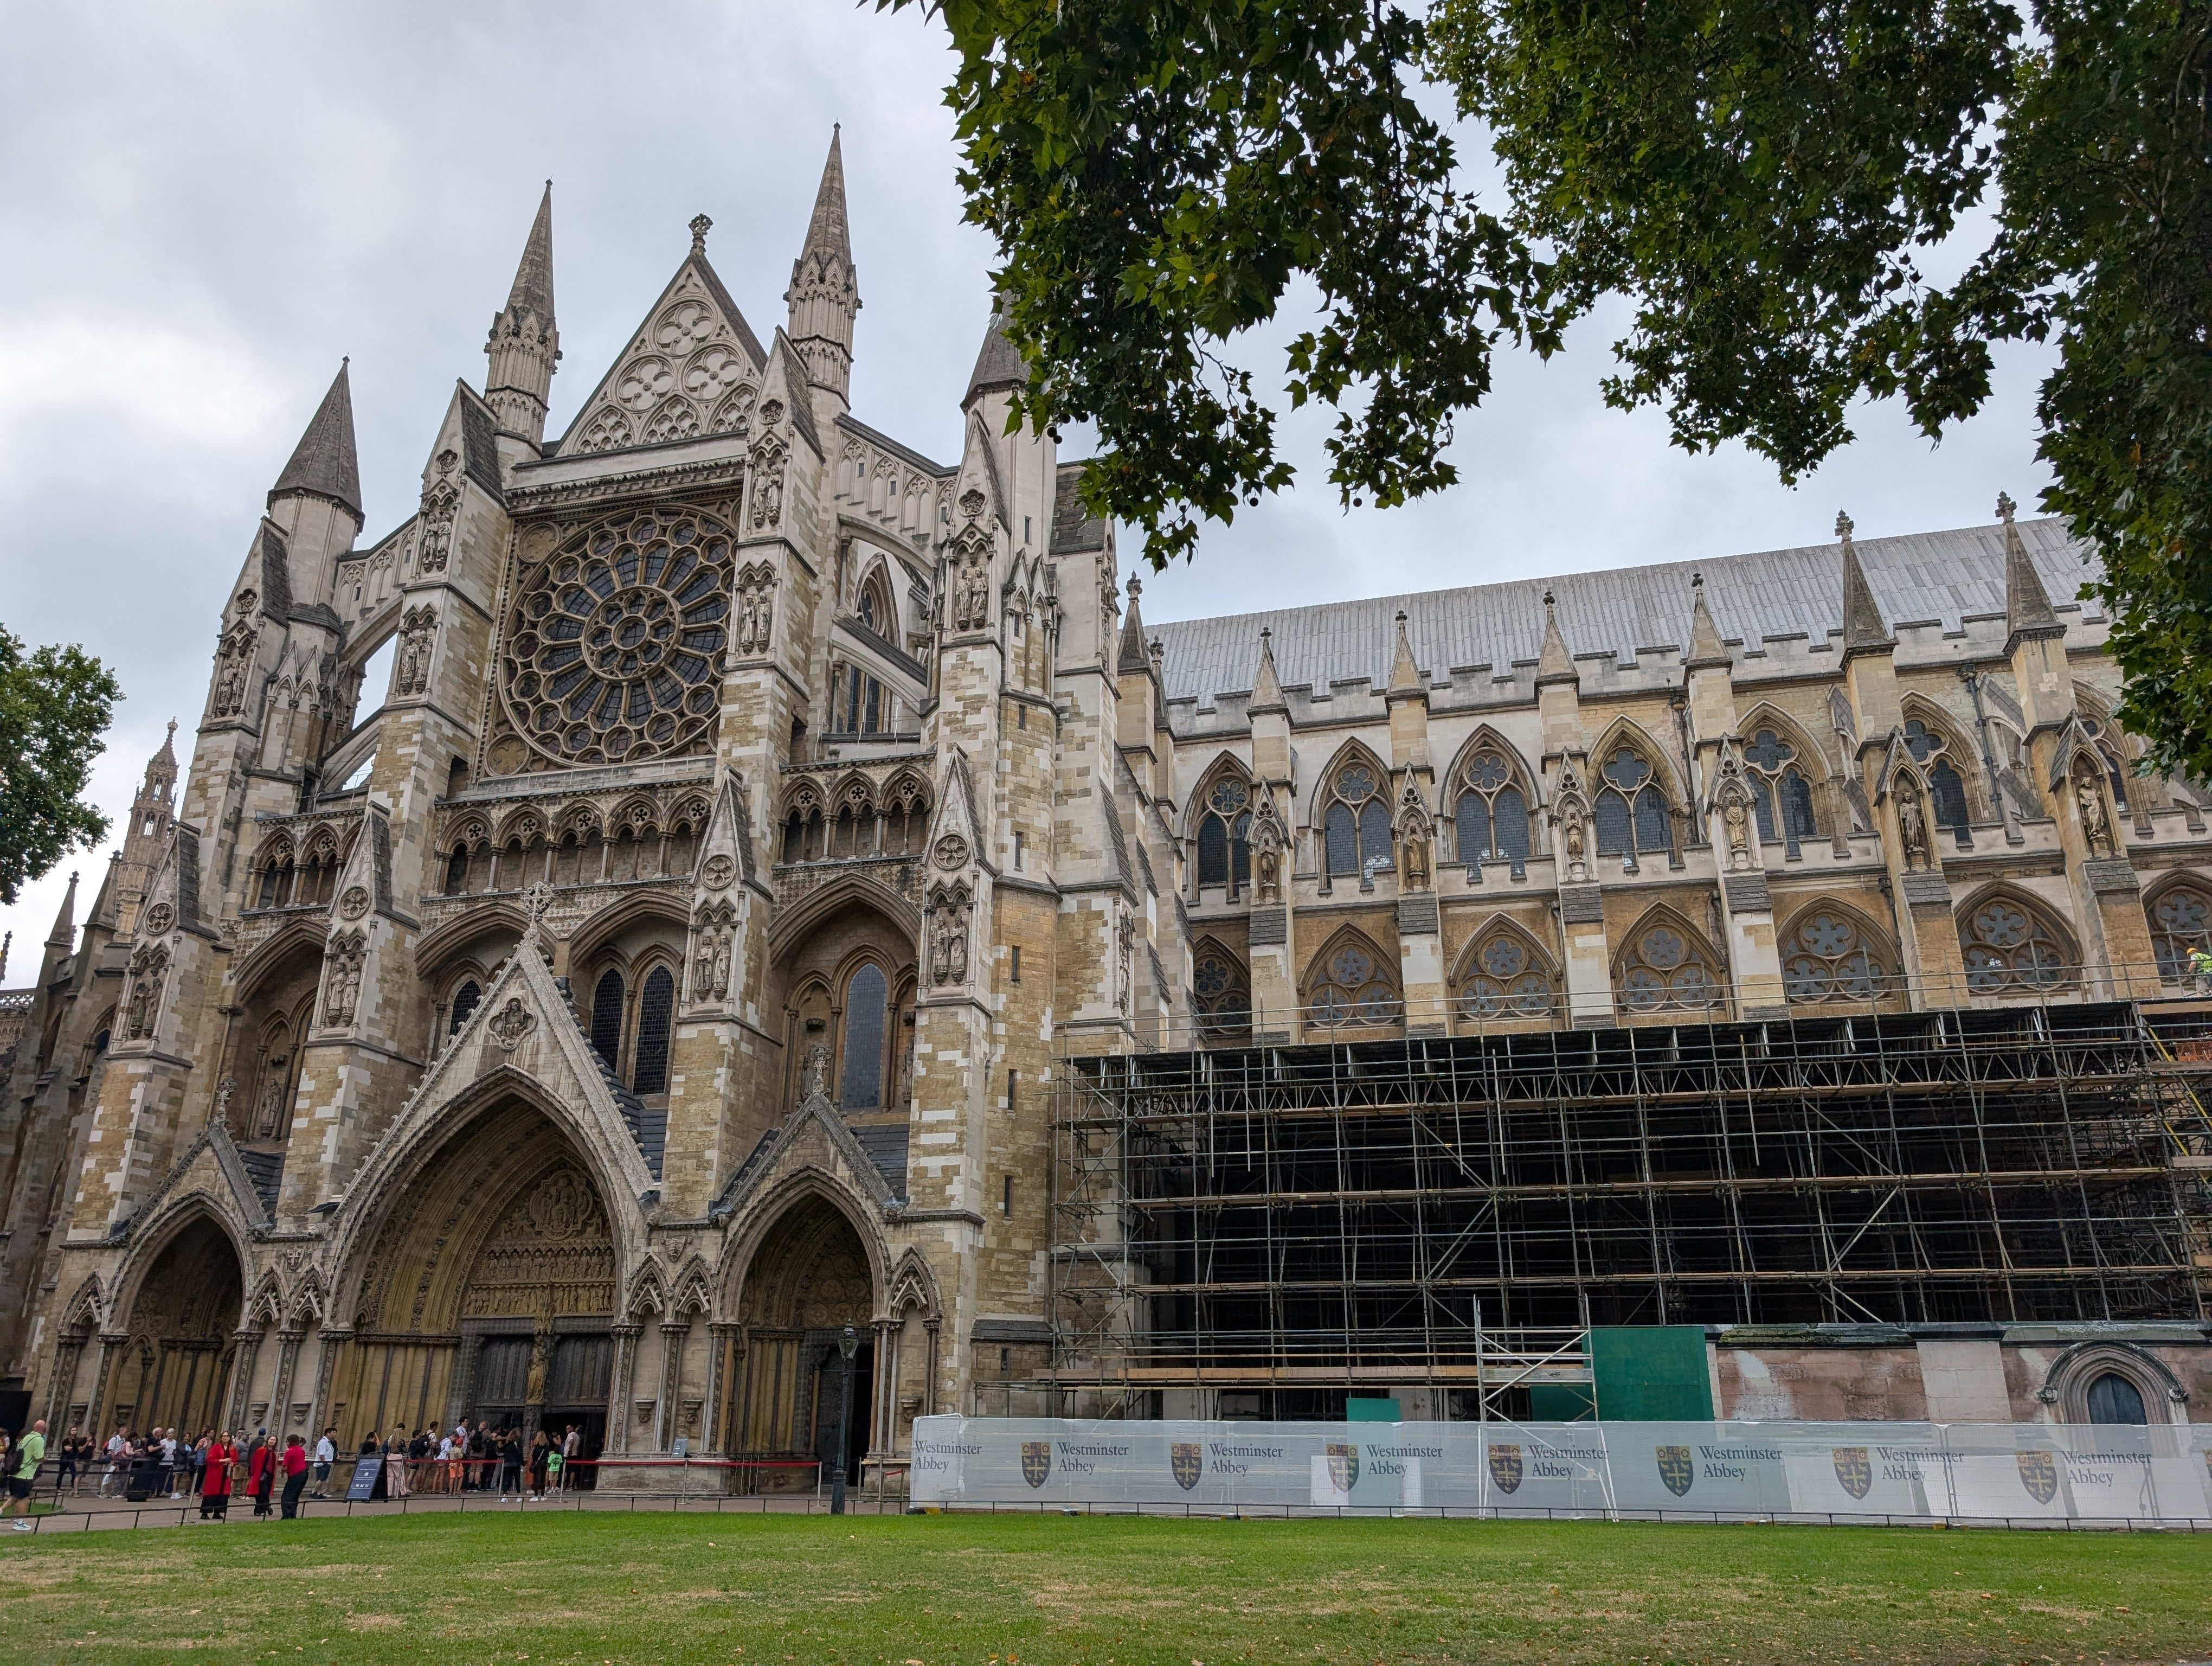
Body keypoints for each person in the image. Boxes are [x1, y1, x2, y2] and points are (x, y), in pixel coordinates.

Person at [5, 1419, 43, 1530]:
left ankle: (18, 1521)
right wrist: (44, 1458)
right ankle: (19, 1523)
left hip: (16, 1472)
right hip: (25, 1474)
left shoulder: (24, 1440)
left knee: (16, 1497)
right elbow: (38, 1457)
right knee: (22, 1498)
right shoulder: (38, 1440)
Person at [200, 1431, 235, 1520]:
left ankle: (217, 1512)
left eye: (227, 1436)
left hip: (226, 1473)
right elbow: (210, 1460)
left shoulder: (232, 1448)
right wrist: (223, 1461)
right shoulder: (216, 1447)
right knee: (212, 1493)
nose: (226, 1437)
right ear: (221, 1438)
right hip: (215, 1473)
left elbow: (234, 1459)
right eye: (224, 1436)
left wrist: (232, 1463)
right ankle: (205, 1513)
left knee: (223, 1493)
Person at [279, 1436, 308, 1520]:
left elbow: (285, 1467)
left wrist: (283, 1471)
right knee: (295, 1495)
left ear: (290, 1442)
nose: (287, 1444)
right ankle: (292, 1514)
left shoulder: (290, 1452)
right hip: (303, 1473)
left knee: (287, 1496)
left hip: (295, 1474)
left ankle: (287, 1515)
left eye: (287, 1442)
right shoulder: (301, 1450)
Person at [247, 1433, 274, 1519]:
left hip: (269, 1475)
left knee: (265, 1492)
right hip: (260, 1474)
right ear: (268, 1441)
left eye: (274, 1440)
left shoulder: (273, 1452)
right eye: (271, 1440)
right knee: (262, 1492)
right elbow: (255, 1462)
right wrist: (252, 1473)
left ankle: (263, 1508)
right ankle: (264, 1508)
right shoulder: (261, 1450)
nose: (273, 1441)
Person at [311, 1427, 335, 1498]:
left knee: (322, 1479)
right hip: (323, 1463)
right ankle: (314, 1491)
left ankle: (319, 1493)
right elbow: (322, 1454)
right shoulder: (324, 1442)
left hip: (326, 1463)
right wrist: (325, 1463)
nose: (334, 1435)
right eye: (333, 1433)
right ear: (328, 1433)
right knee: (322, 1479)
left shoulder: (328, 1442)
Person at [527, 1430, 550, 1500]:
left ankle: (536, 1495)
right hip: (544, 1463)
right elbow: (547, 1455)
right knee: (543, 1479)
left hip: (538, 1463)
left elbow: (535, 1456)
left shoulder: (537, 1446)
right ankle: (543, 1495)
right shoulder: (547, 1445)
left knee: (537, 1479)